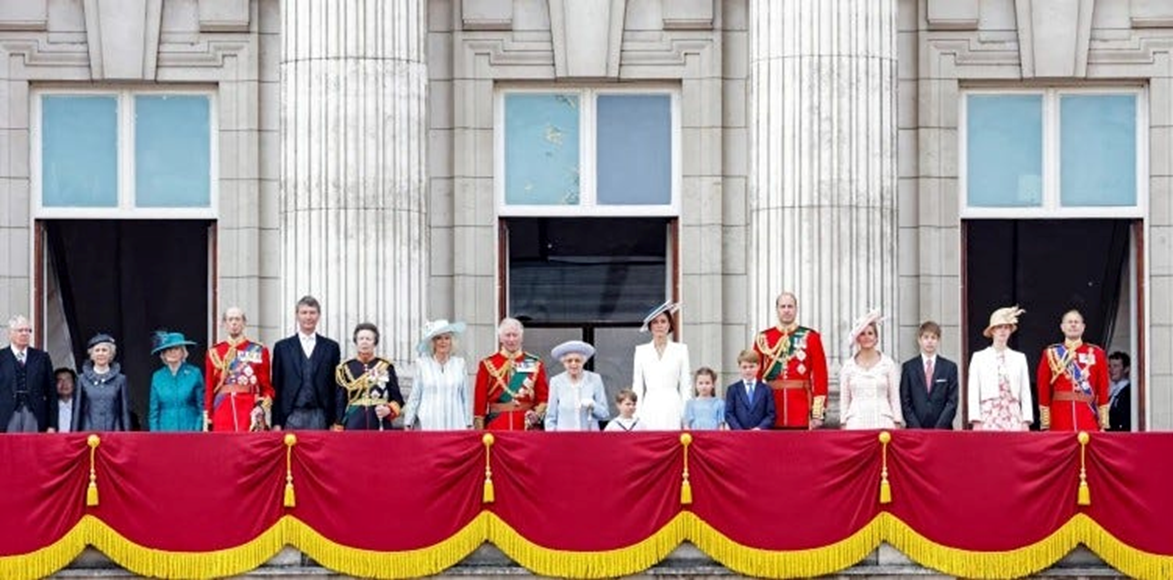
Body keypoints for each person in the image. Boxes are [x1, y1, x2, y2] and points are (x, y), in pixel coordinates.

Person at [752, 292, 829, 430]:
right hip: (772, 409)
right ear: (777, 310)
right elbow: (755, 377)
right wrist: (756, 409)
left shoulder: (811, 337)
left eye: (790, 306)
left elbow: (820, 376)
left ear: (796, 309)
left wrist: (817, 413)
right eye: (783, 307)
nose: (786, 310)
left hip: (801, 409)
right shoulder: (764, 338)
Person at [271, 296, 341, 431]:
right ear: (297, 315)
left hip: (321, 415)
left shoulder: (331, 347)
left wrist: (335, 420)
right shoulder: (282, 347)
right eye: (304, 312)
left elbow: (336, 387)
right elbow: (276, 386)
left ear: (318, 316)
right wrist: (276, 422)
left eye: (312, 312)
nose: (308, 317)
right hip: (290, 415)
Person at [1037, 309, 1110, 432]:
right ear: (1062, 327)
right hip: (1059, 417)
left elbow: (1103, 388)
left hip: (1087, 417)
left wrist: (1103, 423)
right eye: (1069, 322)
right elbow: (1043, 388)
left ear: (1083, 327)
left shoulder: (1097, 353)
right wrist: (1046, 423)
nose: (1073, 324)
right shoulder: (1051, 353)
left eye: (1077, 322)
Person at [205, 307, 274, 432]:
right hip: (222, 411)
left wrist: (261, 408)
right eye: (230, 319)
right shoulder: (214, 352)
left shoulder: (259, 350)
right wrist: (209, 418)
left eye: (237, 319)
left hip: (249, 411)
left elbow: (267, 388)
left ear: (244, 323)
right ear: (224, 324)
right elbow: (209, 390)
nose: (234, 323)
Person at [474, 318, 549, 431]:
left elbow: (543, 398)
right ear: (500, 338)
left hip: (526, 426)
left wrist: (536, 415)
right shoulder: (487, 364)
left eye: (515, 335)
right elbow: (480, 402)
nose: (511, 339)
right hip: (497, 426)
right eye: (507, 335)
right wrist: (479, 430)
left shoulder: (534, 363)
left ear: (521, 337)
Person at [967, 306, 1033, 431]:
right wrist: (976, 420)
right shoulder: (979, 357)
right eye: (999, 327)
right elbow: (973, 391)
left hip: (1013, 414)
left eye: (1006, 327)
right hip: (988, 414)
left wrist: (1026, 420)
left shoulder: (1019, 358)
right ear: (992, 331)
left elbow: (1025, 391)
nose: (1003, 331)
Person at [631, 301, 691, 430]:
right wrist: (637, 414)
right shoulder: (641, 351)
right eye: (655, 322)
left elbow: (686, 385)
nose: (659, 326)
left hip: (673, 404)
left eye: (663, 321)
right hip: (650, 404)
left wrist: (685, 415)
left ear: (669, 324)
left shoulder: (681, 350)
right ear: (650, 326)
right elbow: (637, 386)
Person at [403, 319, 471, 430]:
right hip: (429, 423)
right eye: (438, 338)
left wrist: (469, 423)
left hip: (455, 422)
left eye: (447, 338)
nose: (443, 342)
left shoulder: (460, 364)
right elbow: (415, 395)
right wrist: (408, 423)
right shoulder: (422, 364)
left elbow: (465, 396)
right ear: (433, 342)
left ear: (451, 341)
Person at [840, 310, 903, 430]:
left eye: (870, 333)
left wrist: (897, 421)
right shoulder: (848, 366)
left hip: (883, 422)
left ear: (876, 338)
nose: (866, 337)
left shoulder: (888, 363)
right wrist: (843, 423)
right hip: (856, 423)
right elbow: (845, 400)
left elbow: (894, 396)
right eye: (862, 334)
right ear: (857, 338)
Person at [335, 322, 404, 431]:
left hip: (379, 422)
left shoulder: (385, 366)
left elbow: (397, 398)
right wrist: (339, 424)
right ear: (356, 342)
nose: (364, 342)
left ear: (375, 343)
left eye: (368, 339)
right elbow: (341, 401)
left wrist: (388, 409)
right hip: (354, 422)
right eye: (361, 339)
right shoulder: (345, 368)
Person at [0, 315, 57, 433]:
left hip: (35, 414)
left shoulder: (42, 357)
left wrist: (52, 424)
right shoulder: (1, 357)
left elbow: (51, 393)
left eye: (28, 330)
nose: (25, 334)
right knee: (9, 450)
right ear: (10, 333)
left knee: (33, 450)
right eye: (20, 330)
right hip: (6, 415)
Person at [899, 321, 959, 429]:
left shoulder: (950, 367)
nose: (930, 341)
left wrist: (939, 428)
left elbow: (952, 402)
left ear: (938, 340)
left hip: (942, 430)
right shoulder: (909, 367)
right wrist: (916, 428)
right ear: (919, 340)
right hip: (915, 430)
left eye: (933, 337)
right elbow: (905, 401)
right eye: (926, 337)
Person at [545, 340, 610, 431]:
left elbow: (605, 414)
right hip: (564, 438)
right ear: (563, 363)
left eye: (577, 360)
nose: (573, 364)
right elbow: (550, 417)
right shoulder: (556, 381)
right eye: (569, 361)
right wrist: (554, 438)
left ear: (583, 362)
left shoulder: (595, 379)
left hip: (589, 437)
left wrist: (593, 405)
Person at [73, 333, 132, 432]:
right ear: (91, 355)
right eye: (97, 350)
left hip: (114, 433)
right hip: (88, 433)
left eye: (104, 350)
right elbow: (77, 412)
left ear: (111, 354)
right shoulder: (82, 379)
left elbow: (124, 412)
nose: (101, 353)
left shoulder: (120, 379)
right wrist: (74, 437)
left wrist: (127, 437)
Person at [148, 331, 204, 432]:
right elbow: (154, 412)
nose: (172, 352)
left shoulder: (194, 373)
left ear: (183, 352)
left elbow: (201, 408)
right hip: (165, 431)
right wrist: (155, 436)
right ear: (163, 353)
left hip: (189, 430)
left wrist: (197, 431)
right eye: (168, 349)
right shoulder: (157, 376)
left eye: (176, 349)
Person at [725, 350, 776, 430]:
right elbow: (729, 414)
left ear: (758, 366)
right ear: (739, 368)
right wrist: (739, 430)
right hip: (739, 435)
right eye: (744, 367)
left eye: (751, 366)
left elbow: (771, 414)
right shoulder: (733, 389)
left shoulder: (766, 389)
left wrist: (759, 428)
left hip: (760, 434)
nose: (748, 370)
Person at [1107, 351, 1131, 432]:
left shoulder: (1129, 392)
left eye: (1116, 366)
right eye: (1109, 366)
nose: (1111, 370)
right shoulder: (1112, 391)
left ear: (1126, 369)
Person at [55, 368, 76, 433]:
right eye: (60, 380)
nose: (64, 384)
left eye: (68, 380)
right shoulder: (49, 408)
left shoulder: (81, 406)